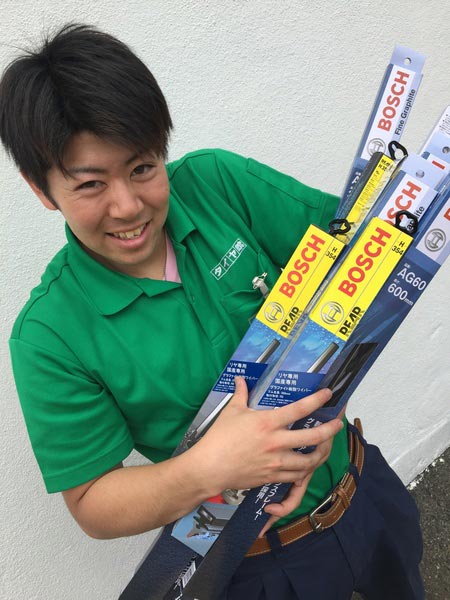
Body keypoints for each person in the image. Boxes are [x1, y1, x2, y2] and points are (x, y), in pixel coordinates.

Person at [0, 23, 424, 600]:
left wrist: (326, 412)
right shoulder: (48, 335)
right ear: (41, 188)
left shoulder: (217, 184)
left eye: (142, 168)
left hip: (362, 482)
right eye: (91, 184)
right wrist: (214, 467)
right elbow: (93, 503)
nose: (127, 206)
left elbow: (355, 267)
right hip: (258, 564)